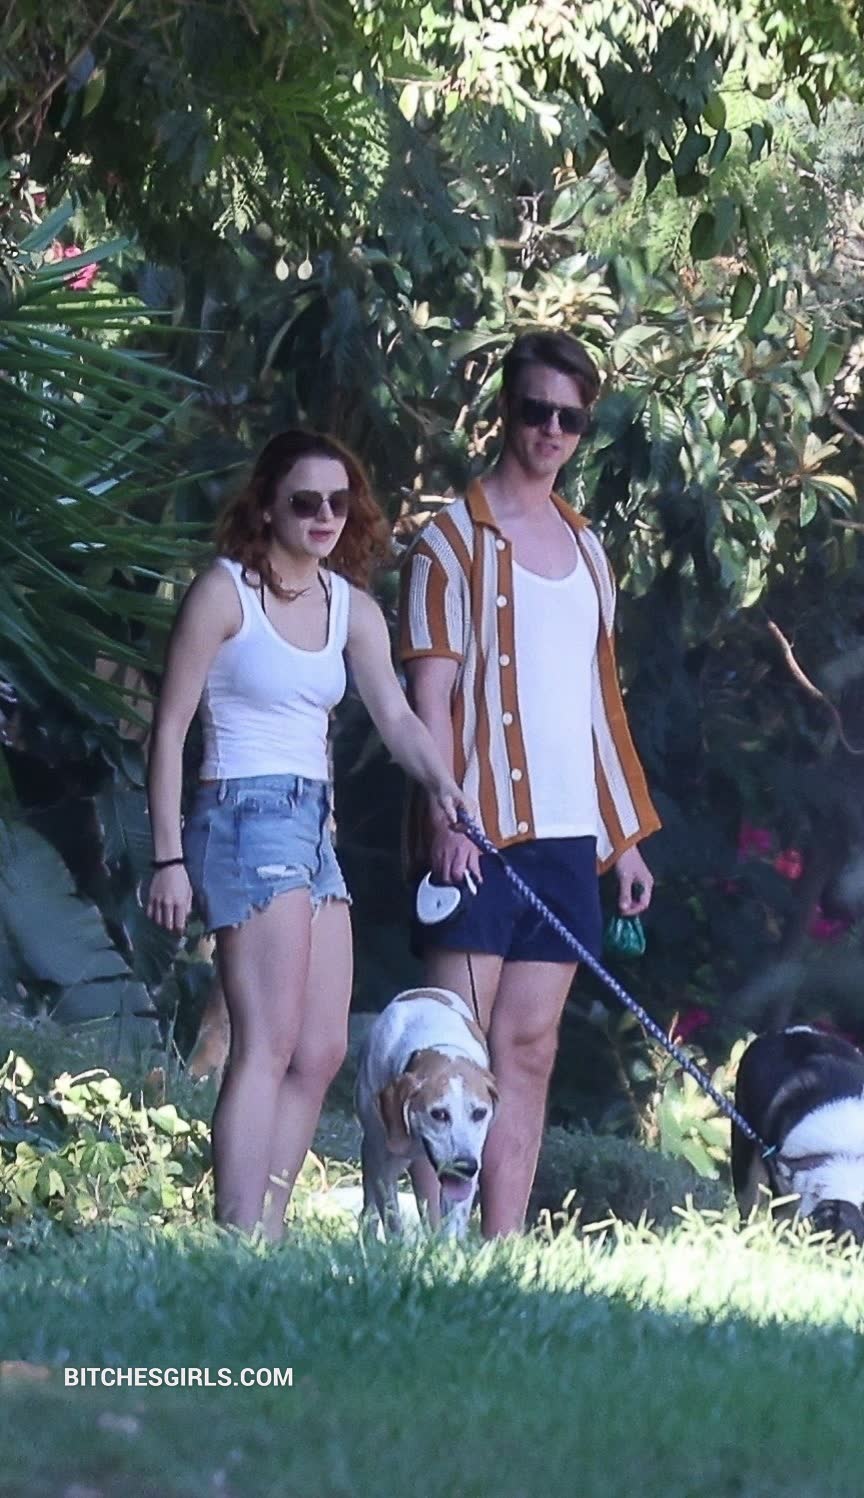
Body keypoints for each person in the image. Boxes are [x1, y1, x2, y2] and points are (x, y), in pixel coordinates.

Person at [145, 429, 470, 1240]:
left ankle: (270, 1228)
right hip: (241, 814)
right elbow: (170, 727)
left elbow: (396, 714)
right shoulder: (225, 593)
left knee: (321, 1050)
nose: (325, 516)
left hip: (313, 824)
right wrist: (167, 858)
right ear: (266, 506)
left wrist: (442, 783)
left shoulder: (349, 607)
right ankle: (237, 1237)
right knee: (267, 1041)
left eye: (338, 502)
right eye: (304, 501)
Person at [399, 329, 661, 1237]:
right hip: (476, 831)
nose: (550, 430)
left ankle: (501, 1244)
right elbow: (427, 694)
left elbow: (597, 701)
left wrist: (623, 838)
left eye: (569, 418)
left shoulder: (589, 550)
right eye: (535, 410)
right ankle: (435, 1247)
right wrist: (444, 812)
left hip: (567, 834)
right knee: (450, 1049)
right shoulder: (449, 541)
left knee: (531, 1047)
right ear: (505, 411)